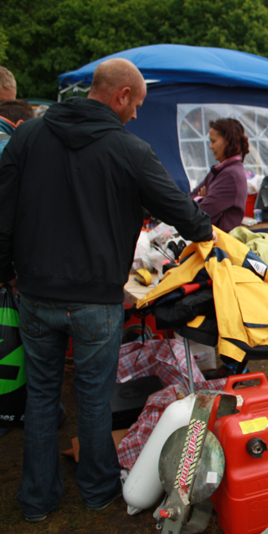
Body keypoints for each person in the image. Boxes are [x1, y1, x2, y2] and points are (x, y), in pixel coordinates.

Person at [0, 57, 215, 522]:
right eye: (136, 103)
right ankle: (97, 490)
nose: (137, 113)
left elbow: (3, 212)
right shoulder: (129, 149)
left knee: (42, 395)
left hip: (36, 291)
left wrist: (7, 273)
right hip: (96, 300)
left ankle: (37, 500)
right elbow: (181, 209)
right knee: (93, 398)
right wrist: (207, 231)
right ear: (120, 96)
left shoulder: (27, 135)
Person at [188, 117, 249, 232]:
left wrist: (200, 201)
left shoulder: (231, 175)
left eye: (213, 141)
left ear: (228, 141)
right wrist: (202, 199)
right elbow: (190, 197)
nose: (210, 146)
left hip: (221, 245)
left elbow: (202, 213)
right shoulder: (219, 171)